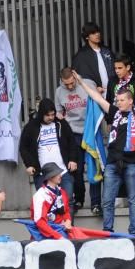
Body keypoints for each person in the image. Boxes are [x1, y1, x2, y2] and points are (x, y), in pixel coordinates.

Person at [75, 72, 135, 236]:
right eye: (117, 100)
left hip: (132, 162)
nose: (118, 103)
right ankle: (107, 231)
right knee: (107, 200)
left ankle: (133, 232)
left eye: (122, 100)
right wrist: (82, 83)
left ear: (129, 101)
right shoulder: (114, 112)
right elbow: (97, 98)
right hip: (113, 162)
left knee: (133, 199)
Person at [19, 98, 79, 207]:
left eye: (53, 114)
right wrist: (29, 164)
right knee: (46, 204)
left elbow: (72, 142)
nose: (51, 117)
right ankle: (49, 225)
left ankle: (68, 224)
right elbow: (23, 147)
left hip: (63, 171)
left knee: (68, 200)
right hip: (42, 173)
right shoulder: (31, 127)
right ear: (41, 113)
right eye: (48, 115)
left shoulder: (61, 124)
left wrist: (73, 159)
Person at [55, 67, 99, 213]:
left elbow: (98, 102)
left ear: (75, 76)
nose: (70, 86)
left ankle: (96, 203)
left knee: (93, 168)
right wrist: (59, 117)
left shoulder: (87, 84)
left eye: (72, 83)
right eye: (66, 84)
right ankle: (79, 199)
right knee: (76, 169)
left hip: (90, 131)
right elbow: (58, 111)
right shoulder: (59, 92)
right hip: (73, 133)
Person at [30, 162, 73, 240]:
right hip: (45, 237)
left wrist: (68, 221)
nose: (60, 176)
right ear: (50, 177)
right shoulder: (40, 195)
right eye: (57, 174)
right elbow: (40, 221)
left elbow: (66, 211)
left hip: (61, 233)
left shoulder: (62, 192)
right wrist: (58, 236)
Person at [71, 22, 115, 97]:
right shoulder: (81, 55)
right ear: (87, 37)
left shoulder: (106, 50)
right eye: (93, 33)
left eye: (98, 31)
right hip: (96, 94)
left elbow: (116, 69)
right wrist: (93, 88)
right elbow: (79, 77)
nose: (97, 34)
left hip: (113, 91)